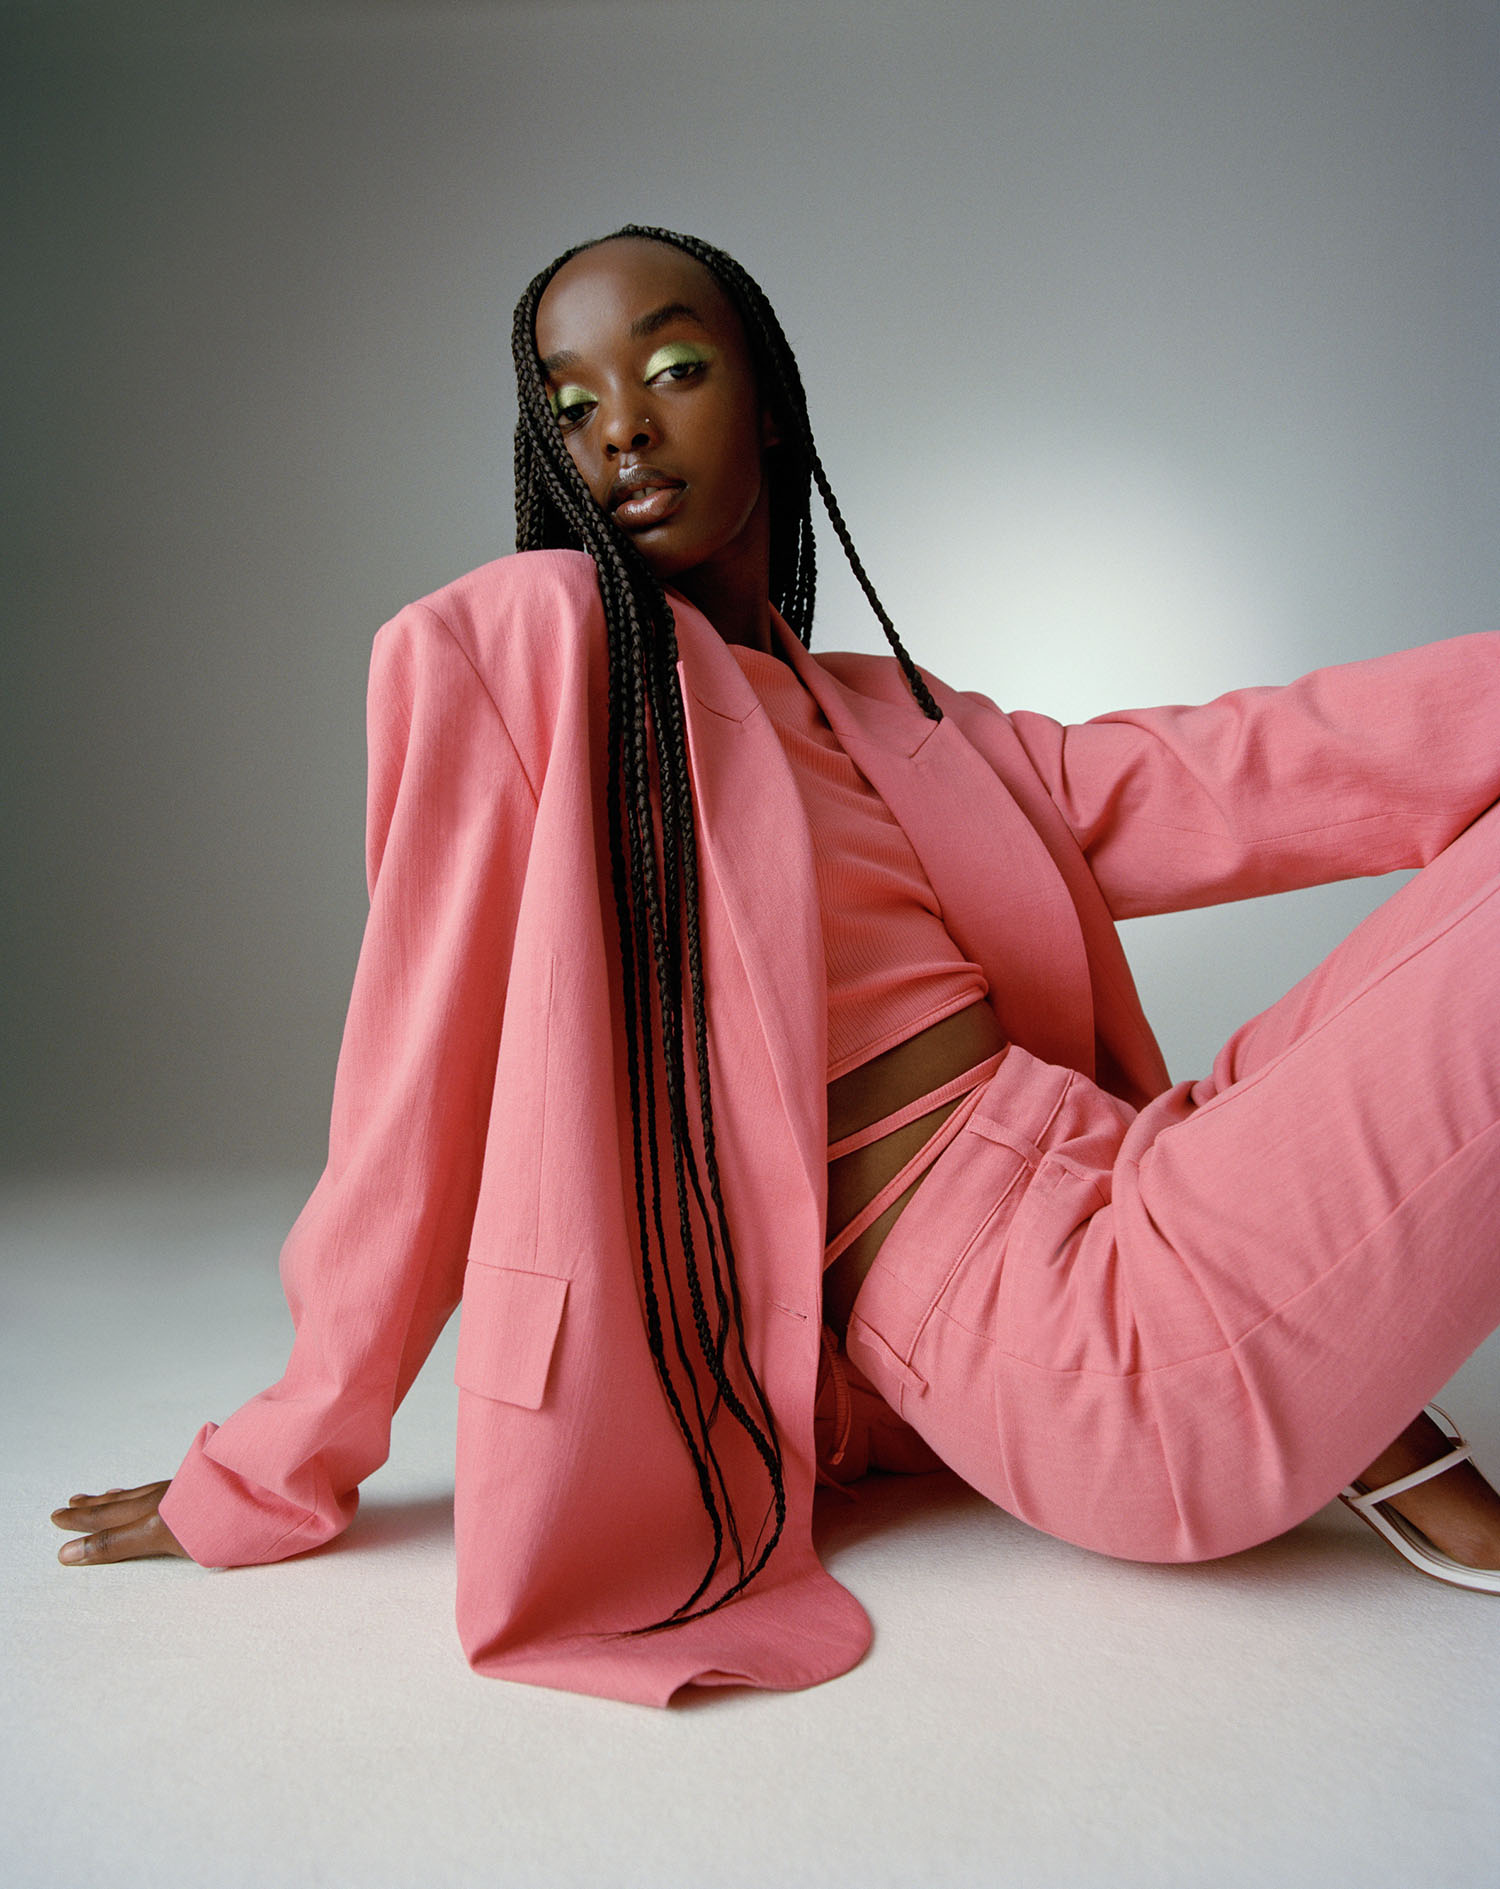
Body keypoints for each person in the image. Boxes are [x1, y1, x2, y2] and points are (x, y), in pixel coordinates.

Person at [52, 226, 1500, 1706]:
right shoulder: (536, 650)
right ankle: (1332, 1387)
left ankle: (1352, 1387)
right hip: (1068, 1332)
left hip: (1141, 1178)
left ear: (770, 404)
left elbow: (1252, 766)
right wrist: (274, 1461)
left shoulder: (895, 721)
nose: (620, 426)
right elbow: (410, 1103)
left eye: (675, 368)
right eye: (571, 403)